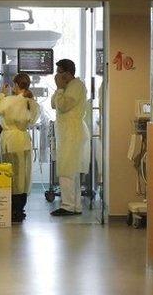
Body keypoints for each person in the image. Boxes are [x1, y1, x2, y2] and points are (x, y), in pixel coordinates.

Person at [0, 73, 40, 223]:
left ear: (16, 85)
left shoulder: (8, 100)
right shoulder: (32, 102)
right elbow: (33, 118)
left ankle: (12, 209)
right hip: (23, 141)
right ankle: (20, 209)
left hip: (10, 141)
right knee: (23, 176)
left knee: (11, 175)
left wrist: (1, 95)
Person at [50, 59, 90, 216]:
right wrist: (59, 89)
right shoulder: (66, 87)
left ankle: (68, 205)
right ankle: (75, 206)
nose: (57, 76)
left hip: (71, 133)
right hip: (67, 133)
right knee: (70, 169)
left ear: (67, 73)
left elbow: (64, 105)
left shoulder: (76, 86)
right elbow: (54, 104)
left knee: (67, 168)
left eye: (59, 72)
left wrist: (60, 88)